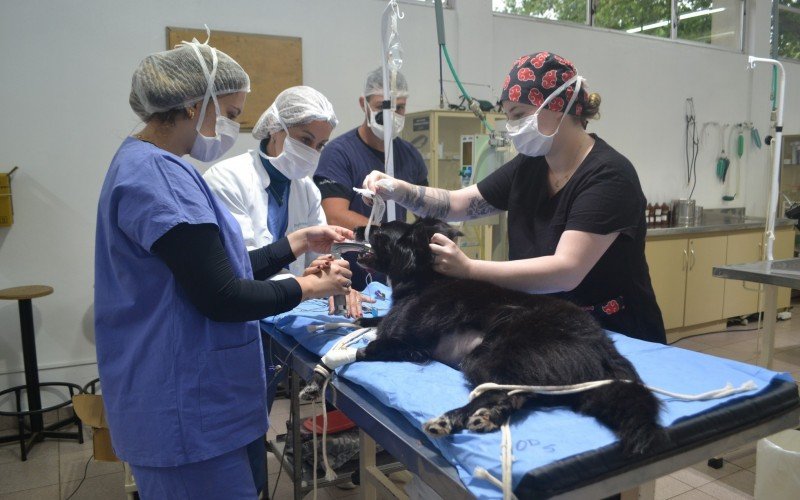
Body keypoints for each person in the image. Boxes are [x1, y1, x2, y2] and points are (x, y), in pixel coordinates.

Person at [95, 39, 353, 499]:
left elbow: (217, 267)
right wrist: (307, 287)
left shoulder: (149, 164)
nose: (236, 126)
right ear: (195, 106)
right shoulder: (160, 177)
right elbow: (222, 295)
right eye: (232, 114)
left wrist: (290, 245)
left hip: (193, 399)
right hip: (186, 408)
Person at [364, 52, 666, 344]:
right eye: (509, 117)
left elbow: (566, 271)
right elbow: (457, 204)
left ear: (559, 106)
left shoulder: (609, 176)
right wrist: (398, 189)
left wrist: (469, 270)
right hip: (553, 325)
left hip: (617, 332)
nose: (512, 129)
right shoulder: (531, 166)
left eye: (519, 115)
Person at [314, 67, 428, 289]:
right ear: (363, 104)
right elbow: (334, 215)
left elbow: (425, 209)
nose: (391, 115)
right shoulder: (339, 153)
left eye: (399, 108)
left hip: (397, 275)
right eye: (381, 107)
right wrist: (390, 238)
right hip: (352, 277)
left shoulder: (410, 155)